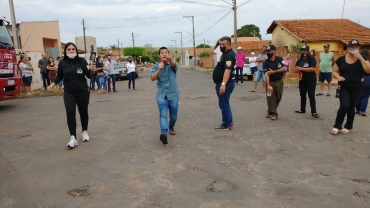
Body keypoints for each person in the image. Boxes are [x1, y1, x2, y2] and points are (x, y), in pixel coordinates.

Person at [47, 42, 92, 148]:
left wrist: (91, 69)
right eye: (69, 49)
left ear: (76, 50)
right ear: (65, 51)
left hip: (82, 91)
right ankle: (73, 138)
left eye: (73, 49)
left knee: (83, 112)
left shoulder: (82, 61)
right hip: (69, 92)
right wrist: (52, 84)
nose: (71, 51)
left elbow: (89, 75)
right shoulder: (62, 63)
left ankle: (84, 132)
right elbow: (59, 76)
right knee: (70, 112)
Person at [331, 39, 370, 134]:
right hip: (344, 86)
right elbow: (334, 71)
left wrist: (360, 58)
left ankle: (348, 126)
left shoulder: (363, 58)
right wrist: (338, 77)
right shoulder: (341, 59)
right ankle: (337, 125)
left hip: (357, 87)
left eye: (357, 47)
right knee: (344, 105)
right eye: (353, 47)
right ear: (348, 48)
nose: (355, 49)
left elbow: (368, 70)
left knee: (351, 107)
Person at [151, 47, 180, 145]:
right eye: (162, 53)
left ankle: (171, 127)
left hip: (173, 94)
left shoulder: (172, 64)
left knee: (173, 116)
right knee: (163, 114)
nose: (164, 54)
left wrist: (170, 60)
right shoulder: (156, 66)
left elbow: (174, 66)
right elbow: (153, 78)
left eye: (166, 53)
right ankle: (164, 133)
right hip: (162, 95)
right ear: (159, 55)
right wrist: (159, 69)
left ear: (168, 54)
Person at [212, 36, 236, 130]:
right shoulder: (225, 53)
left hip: (226, 83)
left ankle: (226, 124)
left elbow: (228, 70)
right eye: (220, 44)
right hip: (225, 83)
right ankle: (229, 120)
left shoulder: (229, 55)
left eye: (224, 44)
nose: (221, 46)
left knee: (223, 104)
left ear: (229, 45)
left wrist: (223, 84)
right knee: (225, 103)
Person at [294, 45, 319, 117]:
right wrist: (296, 69)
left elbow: (312, 69)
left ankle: (313, 111)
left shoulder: (312, 58)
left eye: (304, 51)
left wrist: (301, 68)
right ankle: (302, 109)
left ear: (308, 51)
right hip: (302, 79)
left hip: (311, 79)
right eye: (302, 51)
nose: (303, 52)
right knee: (302, 94)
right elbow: (295, 69)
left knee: (311, 95)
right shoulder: (299, 60)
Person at [264, 45, 286, 120]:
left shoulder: (280, 59)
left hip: (279, 81)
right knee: (270, 98)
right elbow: (266, 74)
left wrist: (274, 71)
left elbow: (284, 68)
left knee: (278, 97)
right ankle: (274, 114)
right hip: (271, 82)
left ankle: (270, 110)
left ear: (274, 52)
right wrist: (268, 85)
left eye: (269, 51)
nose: (268, 53)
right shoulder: (266, 62)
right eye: (267, 51)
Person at [356, 49, 370, 116]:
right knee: (365, 96)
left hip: (360, 78)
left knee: (358, 95)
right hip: (368, 78)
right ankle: (363, 111)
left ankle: (358, 110)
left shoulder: (358, 60)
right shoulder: (368, 61)